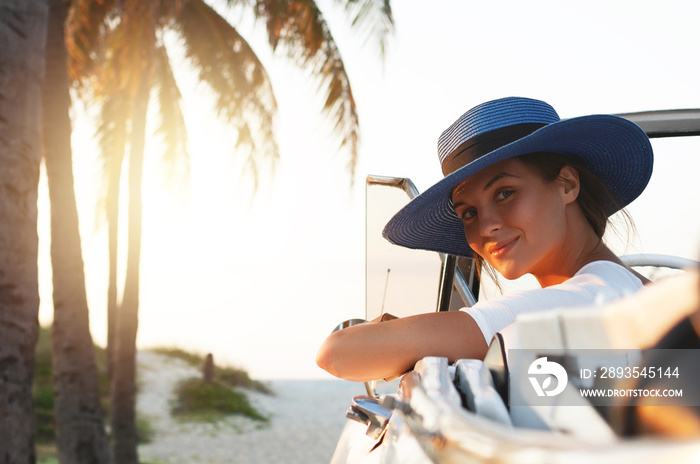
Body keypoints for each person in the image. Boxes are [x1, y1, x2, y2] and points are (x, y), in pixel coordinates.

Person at [316, 97, 654, 382]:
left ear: (567, 184)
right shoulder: (624, 289)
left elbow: (338, 353)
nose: (486, 225)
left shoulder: (588, 300)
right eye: (469, 213)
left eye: (505, 193)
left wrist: (406, 341)